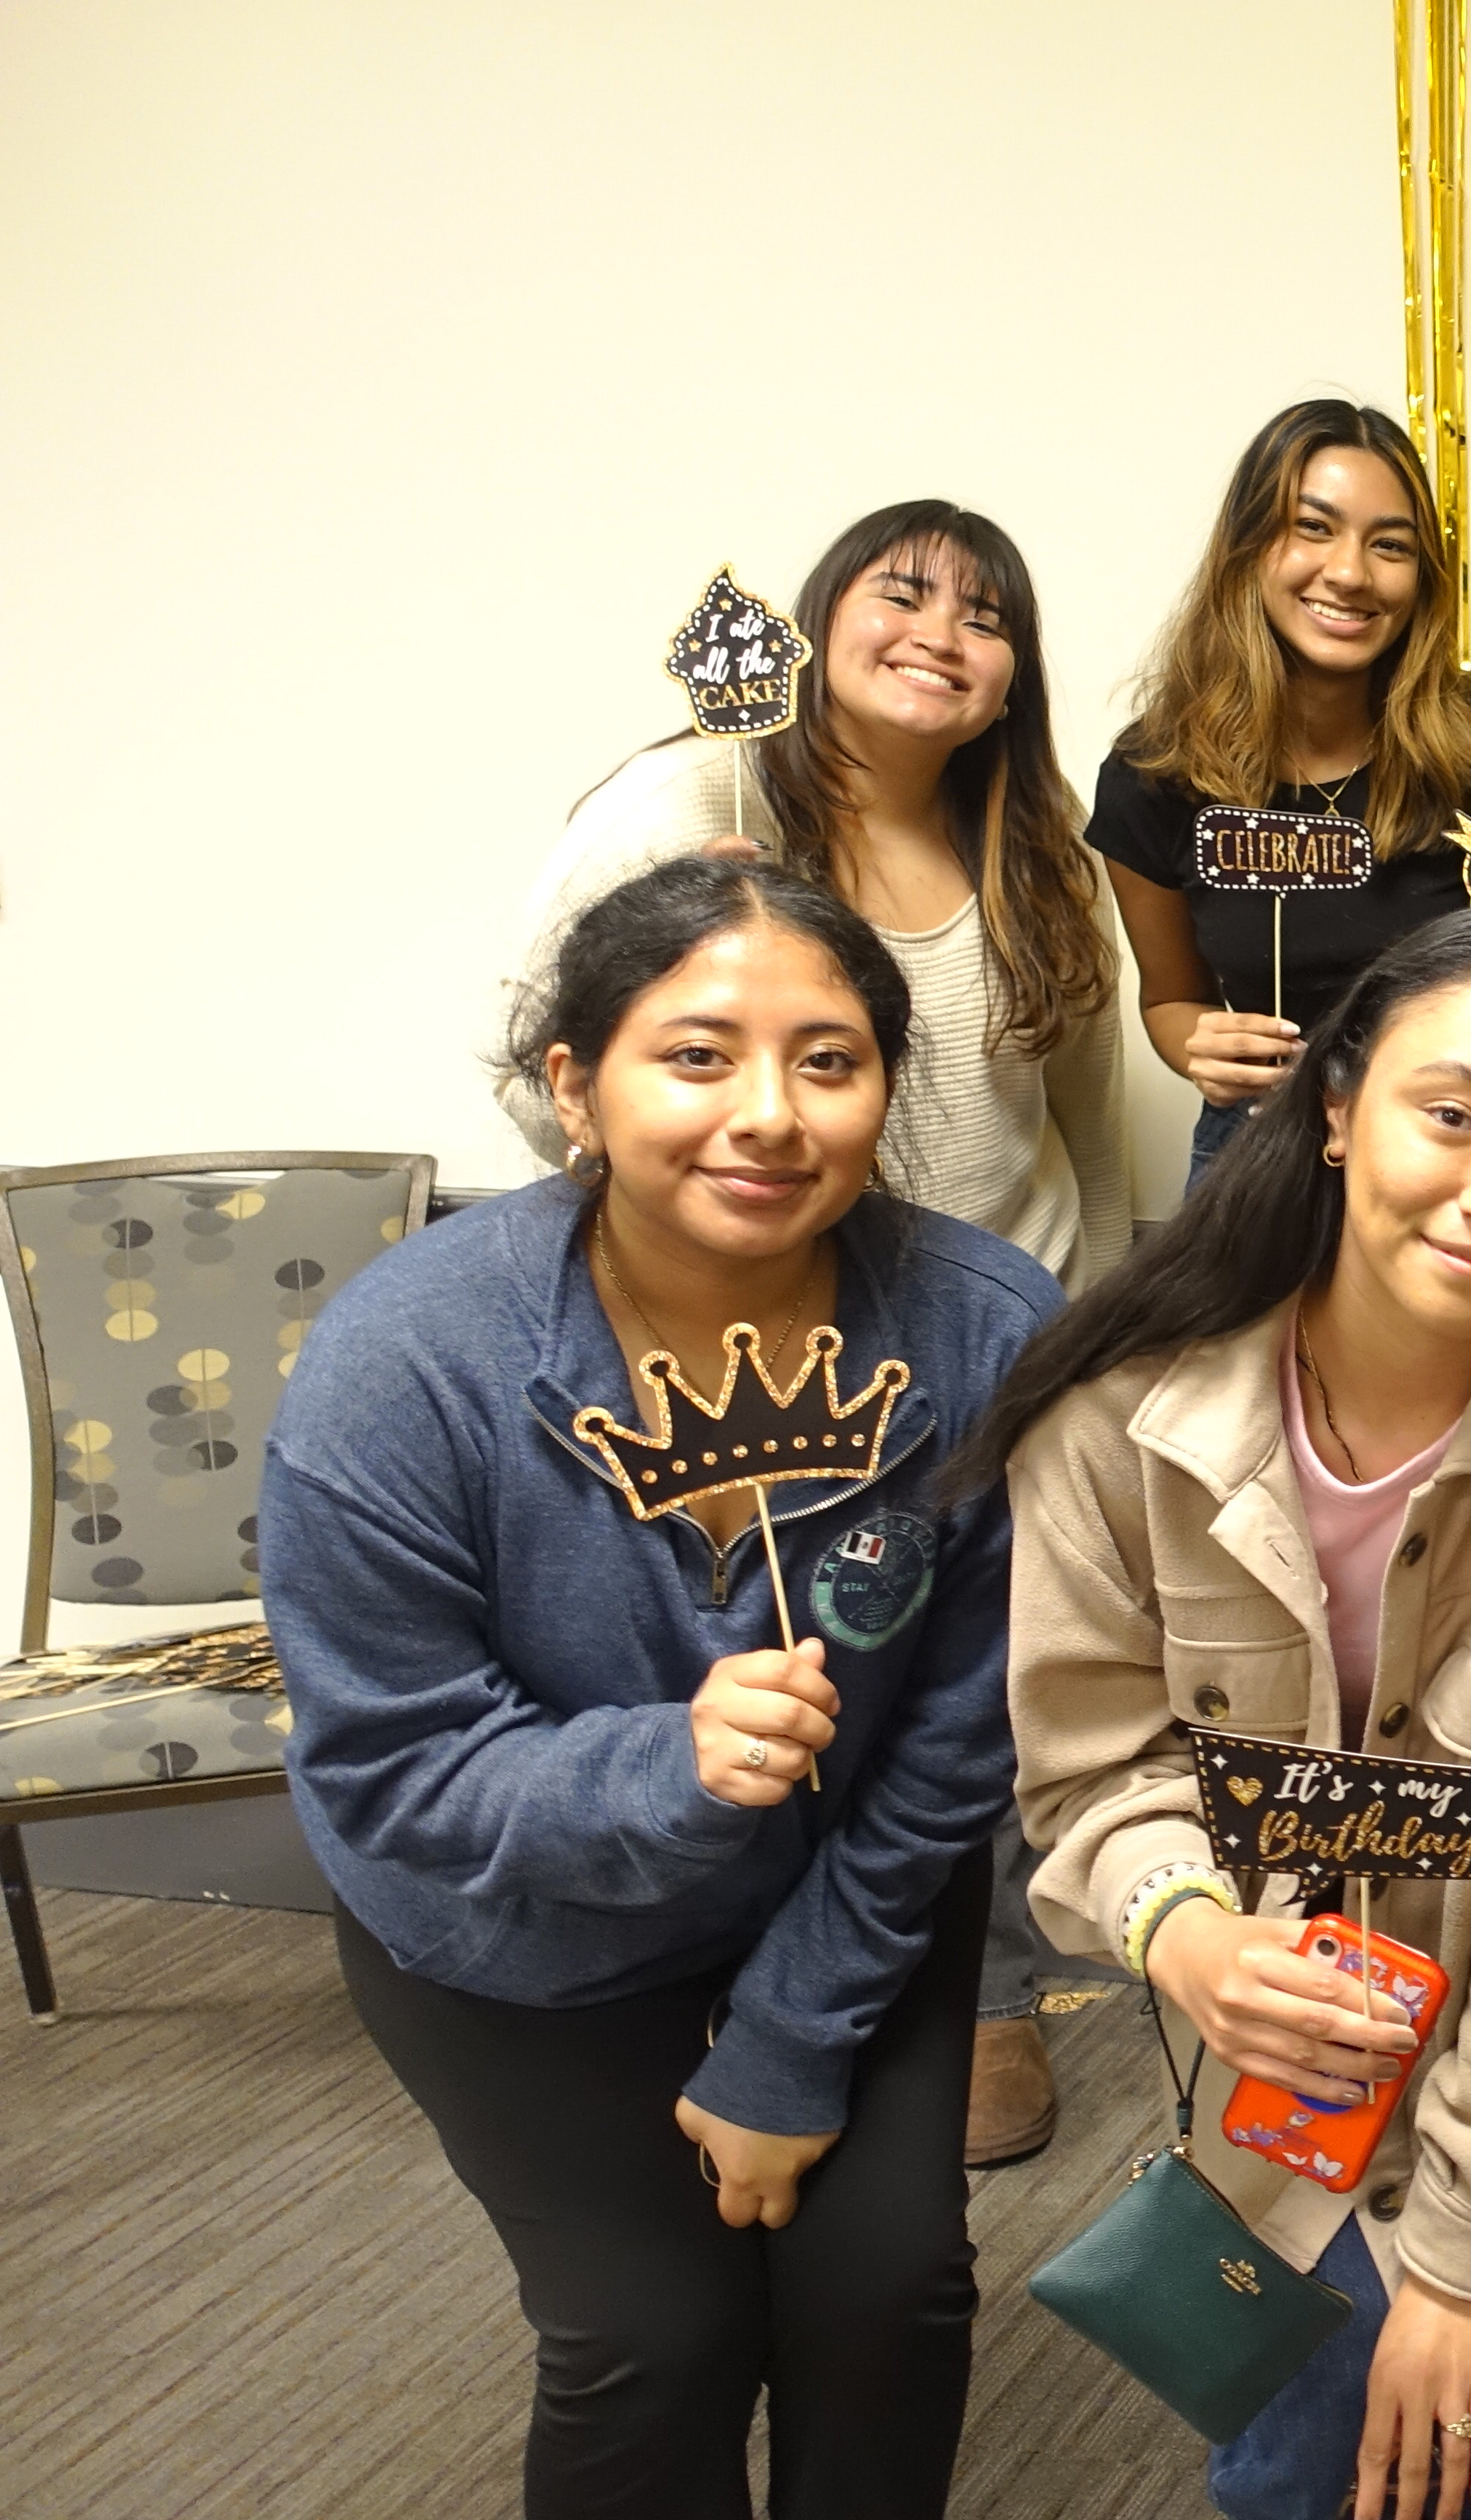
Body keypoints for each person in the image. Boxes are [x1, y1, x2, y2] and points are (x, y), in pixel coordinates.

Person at [272, 857, 1062, 2519]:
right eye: (696, 1055)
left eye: (828, 1060)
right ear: (575, 1085)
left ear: (886, 1089)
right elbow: (395, 1776)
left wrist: (787, 2044)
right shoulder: (406, 1364)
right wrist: (671, 1769)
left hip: (854, 1895)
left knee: (884, 2302)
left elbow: (953, 1743)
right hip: (513, 1941)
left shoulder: (986, 1329)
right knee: (654, 2334)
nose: (766, 1115)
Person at [974, 906, 1471, 2520]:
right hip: (1268, 2113)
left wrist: (1468, 2266)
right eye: (1451, 1114)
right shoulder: (1115, 1403)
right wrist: (1183, 1928)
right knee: (1295, 2470)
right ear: (1336, 1110)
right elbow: (1095, 1769)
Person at [500, 498, 1131, 2161]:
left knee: (977, 1679)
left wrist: (1105, 1319)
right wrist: (675, 1228)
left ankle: (985, 1998)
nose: (943, 629)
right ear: (814, 620)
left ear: (1012, 681)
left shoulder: (1031, 850)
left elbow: (1080, 1105)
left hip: (985, 1341)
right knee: (771, 1659)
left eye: (986, 613)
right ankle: (742, 1980)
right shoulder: (688, 798)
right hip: (768, 1328)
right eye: (903, 591)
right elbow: (537, 1050)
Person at [1084, 397, 1471, 1184]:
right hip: (1261, 1142)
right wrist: (1203, 1048)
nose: (1350, 573)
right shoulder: (1154, 774)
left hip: (1466, 1148)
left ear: (1423, 577)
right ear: (1250, 546)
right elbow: (1170, 1003)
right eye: (1314, 527)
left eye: (1389, 545)